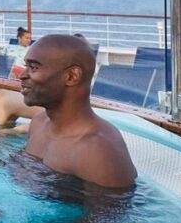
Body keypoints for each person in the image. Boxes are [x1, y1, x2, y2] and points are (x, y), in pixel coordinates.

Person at [19, 34, 137, 188]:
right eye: (25, 67)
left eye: (33, 68)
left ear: (72, 76)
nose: (22, 75)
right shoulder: (39, 123)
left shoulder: (98, 151)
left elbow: (113, 211)